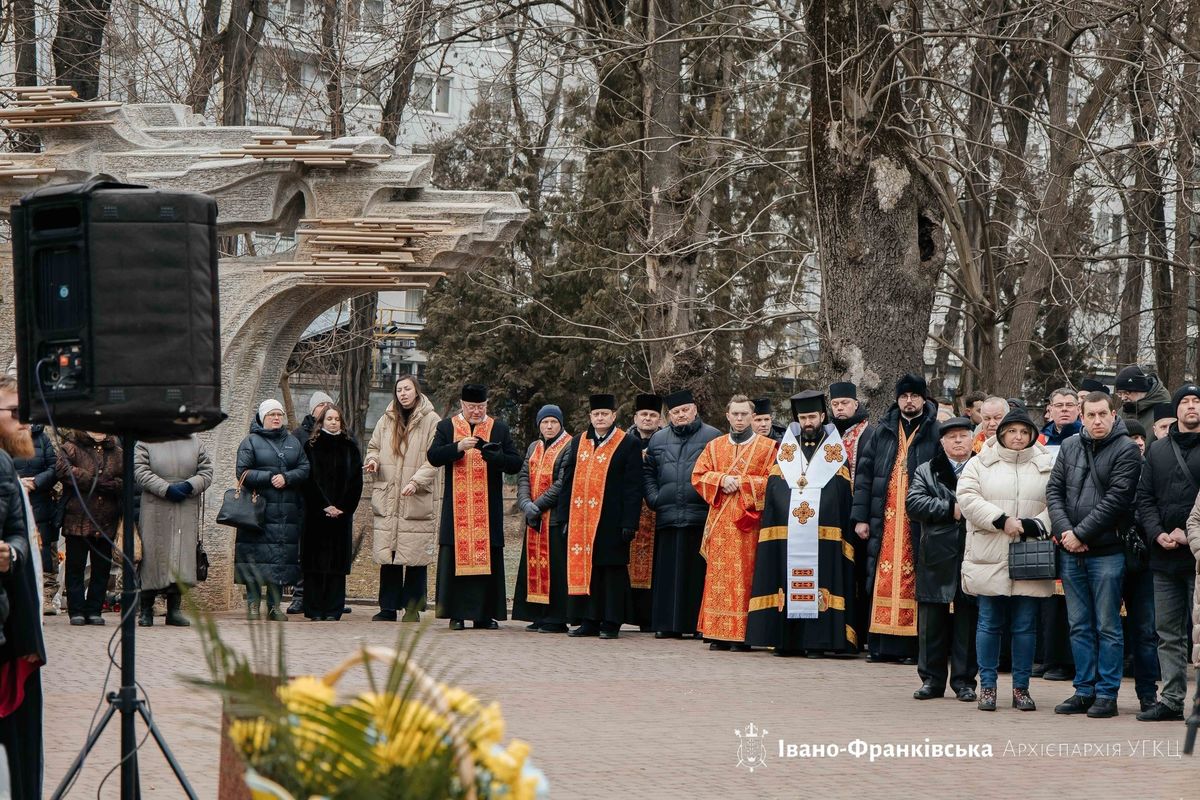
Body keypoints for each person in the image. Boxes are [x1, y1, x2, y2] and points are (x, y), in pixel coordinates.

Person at [1046, 391, 1141, 718]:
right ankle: (1083, 690)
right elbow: (1053, 491)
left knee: (1107, 626)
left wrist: (1080, 533)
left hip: (1107, 553)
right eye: (1091, 415)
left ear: (1113, 414)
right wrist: (1064, 532)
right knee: (1079, 625)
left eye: (1103, 414)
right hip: (1071, 551)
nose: (1097, 421)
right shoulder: (1070, 446)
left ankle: (1106, 694)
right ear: (1082, 417)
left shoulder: (1127, 449)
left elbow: (1117, 500)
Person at [957, 409, 1056, 711]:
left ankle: (1021, 688)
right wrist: (1001, 520)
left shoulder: (1046, 465)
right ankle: (988, 687)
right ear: (1001, 433)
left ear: (1031, 435)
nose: (1017, 437)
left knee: (1025, 625)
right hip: (989, 552)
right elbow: (968, 497)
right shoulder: (980, 463)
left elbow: (1058, 500)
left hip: (1029, 553)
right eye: (1011, 431)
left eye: (1024, 432)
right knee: (988, 622)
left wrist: (1034, 524)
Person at [746, 390, 856, 656]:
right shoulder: (787, 452)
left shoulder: (834, 452)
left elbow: (840, 491)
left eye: (813, 417)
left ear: (822, 417)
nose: (808, 422)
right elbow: (775, 488)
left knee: (824, 582)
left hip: (824, 534)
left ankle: (819, 642)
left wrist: (821, 507)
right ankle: (789, 640)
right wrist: (790, 506)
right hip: (790, 534)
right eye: (803, 417)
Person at [853, 373, 940, 663]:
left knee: (912, 577)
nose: (909, 401)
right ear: (897, 399)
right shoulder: (883, 430)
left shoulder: (935, 431)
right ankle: (878, 646)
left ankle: (909, 648)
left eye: (915, 396)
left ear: (923, 399)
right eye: (904, 396)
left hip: (917, 521)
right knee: (881, 575)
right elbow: (864, 476)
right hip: (884, 517)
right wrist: (860, 518)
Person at [427, 384, 521, 629]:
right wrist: (457, 448)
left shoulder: (498, 428)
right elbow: (433, 456)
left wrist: (496, 457)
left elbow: (514, 463)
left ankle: (483, 615)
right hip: (456, 511)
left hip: (487, 511)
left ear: (487, 405)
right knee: (454, 563)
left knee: (487, 560)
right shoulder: (446, 427)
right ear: (462, 405)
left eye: (481, 407)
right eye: (472, 407)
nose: (477, 412)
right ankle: (455, 615)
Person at [1135, 383, 1200, 721]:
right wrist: (1157, 533)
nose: (1191, 406)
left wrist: (1190, 536)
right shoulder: (1158, 450)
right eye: (1184, 402)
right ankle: (1172, 699)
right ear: (1175, 410)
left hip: (1199, 557)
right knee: (1168, 633)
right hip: (1163, 557)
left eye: (1196, 401)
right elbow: (1144, 498)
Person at [693, 395, 776, 650]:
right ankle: (716, 632)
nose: (739, 419)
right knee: (717, 577)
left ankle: (742, 634)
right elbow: (698, 475)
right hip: (719, 524)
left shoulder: (768, 447)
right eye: (735, 414)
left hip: (749, 524)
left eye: (744, 414)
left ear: (752, 417)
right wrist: (719, 480)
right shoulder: (714, 446)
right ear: (727, 416)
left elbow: (775, 482)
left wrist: (743, 483)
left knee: (745, 577)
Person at [907, 417, 979, 702]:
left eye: (963, 436)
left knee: (968, 619)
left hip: (973, 550)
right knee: (931, 621)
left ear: (973, 439)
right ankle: (931, 680)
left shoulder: (982, 467)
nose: (958, 441)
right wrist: (952, 508)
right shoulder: (927, 469)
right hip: (936, 550)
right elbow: (913, 504)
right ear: (942, 442)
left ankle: (964, 682)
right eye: (952, 437)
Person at [559, 394, 642, 639]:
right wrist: (564, 516)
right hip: (580, 520)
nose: (600, 418)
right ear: (590, 417)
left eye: (605, 414)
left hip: (611, 520)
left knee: (611, 571)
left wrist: (630, 522)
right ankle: (588, 620)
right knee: (588, 569)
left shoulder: (627, 443)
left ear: (614, 416)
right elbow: (567, 480)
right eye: (596, 414)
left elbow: (633, 487)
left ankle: (611, 621)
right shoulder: (578, 442)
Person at [0, 375, 47, 798]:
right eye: (16, 413)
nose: (27, 423)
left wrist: (10, 554)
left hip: (14, 637)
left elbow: (17, 541)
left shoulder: (7, 469)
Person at [643, 389, 721, 639]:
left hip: (699, 515)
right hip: (667, 514)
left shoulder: (713, 436)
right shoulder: (658, 439)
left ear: (695, 409)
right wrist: (655, 498)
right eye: (675, 412)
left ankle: (698, 625)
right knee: (667, 575)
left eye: (685, 410)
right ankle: (667, 625)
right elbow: (648, 473)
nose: (681, 415)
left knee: (696, 575)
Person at [364, 375, 441, 622]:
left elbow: (435, 458)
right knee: (390, 554)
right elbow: (373, 447)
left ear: (417, 391)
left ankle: (412, 609)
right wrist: (373, 461)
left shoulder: (432, 421)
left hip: (416, 495)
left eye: (407, 389)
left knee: (415, 556)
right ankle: (388, 607)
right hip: (389, 494)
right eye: (399, 390)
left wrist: (416, 481)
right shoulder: (386, 419)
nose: (403, 394)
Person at [234, 399, 310, 621]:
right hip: (258, 512)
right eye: (272, 415)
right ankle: (253, 605)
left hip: (286, 513)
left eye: (279, 414)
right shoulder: (250, 441)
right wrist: (269, 478)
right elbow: (242, 472)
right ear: (262, 418)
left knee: (280, 561)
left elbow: (305, 468)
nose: (277, 418)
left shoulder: (293, 442)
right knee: (255, 559)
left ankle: (275, 606)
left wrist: (287, 477)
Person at [133, 435, 213, 627]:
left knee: (181, 555)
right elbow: (140, 470)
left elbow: (207, 471)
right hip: (155, 504)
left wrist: (189, 485)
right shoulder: (146, 440)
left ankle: (174, 609)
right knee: (153, 555)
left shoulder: (195, 442)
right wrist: (166, 488)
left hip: (186, 504)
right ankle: (146, 609)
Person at [300, 405, 363, 621]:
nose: (334, 422)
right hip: (316, 515)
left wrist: (342, 508)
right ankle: (314, 609)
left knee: (336, 565)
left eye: (337, 419)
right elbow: (308, 480)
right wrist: (324, 505)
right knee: (315, 564)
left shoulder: (350, 447)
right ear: (322, 422)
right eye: (329, 419)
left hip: (341, 516)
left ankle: (334, 609)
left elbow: (356, 482)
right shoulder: (311, 446)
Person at [513, 405, 573, 633]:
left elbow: (562, 481)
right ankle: (538, 614)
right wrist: (526, 503)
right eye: (545, 422)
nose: (549, 426)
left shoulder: (569, 445)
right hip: (534, 518)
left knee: (556, 569)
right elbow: (524, 476)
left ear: (561, 424)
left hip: (555, 517)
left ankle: (556, 618)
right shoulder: (533, 447)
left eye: (553, 422)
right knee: (534, 567)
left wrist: (537, 505)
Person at [56, 430, 122, 626]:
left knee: (101, 567)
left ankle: (94, 609)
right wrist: (93, 481)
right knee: (75, 565)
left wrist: (113, 485)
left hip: (106, 518)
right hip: (78, 516)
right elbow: (62, 469)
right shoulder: (71, 446)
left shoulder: (117, 451)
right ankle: (76, 610)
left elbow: (127, 478)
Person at [829, 380, 874, 643]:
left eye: (844, 403)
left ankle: (863, 631)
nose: (840, 408)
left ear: (855, 404)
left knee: (860, 573)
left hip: (860, 515)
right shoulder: (828, 434)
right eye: (835, 404)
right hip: (833, 515)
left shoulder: (869, 432)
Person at [286, 389, 334, 615]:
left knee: (329, 551)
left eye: (328, 405)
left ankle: (329, 597)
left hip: (332, 501)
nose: (324, 408)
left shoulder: (341, 432)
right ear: (312, 410)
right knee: (303, 551)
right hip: (305, 502)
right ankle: (300, 596)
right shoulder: (298, 435)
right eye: (320, 405)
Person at [10, 421, 56, 616]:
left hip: (40, 501)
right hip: (13, 496)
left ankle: (46, 597)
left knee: (44, 548)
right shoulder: (7, 439)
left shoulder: (43, 439)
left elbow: (54, 467)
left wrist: (36, 482)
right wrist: (18, 483)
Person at [627, 393, 662, 629]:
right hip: (629, 511)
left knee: (655, 566)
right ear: (635, 417)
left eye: (652, 415)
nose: (647, 419)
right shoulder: (623, 441)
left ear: (659, 419)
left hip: (656, 512)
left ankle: (649, 618)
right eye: (644, 415)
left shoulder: (665, 441)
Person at [1115, 365, 1171, 443]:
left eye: (1126, 392)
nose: (1123, 398)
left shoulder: (1164, 409)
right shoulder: (1122, 412)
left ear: (1140, 389)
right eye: (1120, 394)